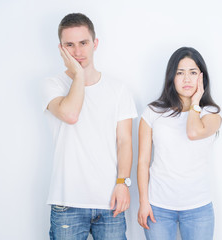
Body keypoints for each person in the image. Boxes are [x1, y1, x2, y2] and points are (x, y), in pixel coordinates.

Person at [43, 13, 137, 239]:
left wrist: (123, 183)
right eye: (70, 45)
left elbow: (124, 142)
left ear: (95, 44)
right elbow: (71, 114)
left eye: (83, 43)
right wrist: (77, 74)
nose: (77, 52)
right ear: (61, 48)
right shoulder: (52, 85)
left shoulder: (119, 89)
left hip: (110, 201)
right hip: (67, 203)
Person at [137, 47, 222, 240]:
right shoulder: (152, 112)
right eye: (180, 73)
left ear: (202, 77)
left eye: (193, 73)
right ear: (171, 77)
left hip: (198, 208)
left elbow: (193, 132)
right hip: (158, 207)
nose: (186, 79)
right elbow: (143, 162)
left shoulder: (211, 114)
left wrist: (196, 102)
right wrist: (143, 201)